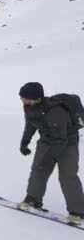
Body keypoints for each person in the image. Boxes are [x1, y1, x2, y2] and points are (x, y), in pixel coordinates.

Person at [18, 82, 84, 222]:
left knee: (67, 176)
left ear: (36, 98)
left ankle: (78, 212)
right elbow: (30, 124)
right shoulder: (29, 107)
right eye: (21, 98)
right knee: (38, 169)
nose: (22, 101)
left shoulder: (55, 111)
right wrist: (25, 142)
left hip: (67, 142)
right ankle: (33, 199)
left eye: (25, 98)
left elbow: (60, 140)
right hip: (46, 140)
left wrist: (48, 159)